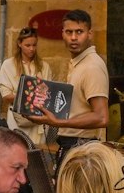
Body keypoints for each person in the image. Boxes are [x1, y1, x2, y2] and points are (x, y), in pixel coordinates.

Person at [33, 9, 110, 157]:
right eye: (69, 32)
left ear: (89, 34)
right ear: (62, 33)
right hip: (71, 144)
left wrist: (57, 122)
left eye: (79, 32)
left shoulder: (92, 66)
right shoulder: (78, 63)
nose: (73, 37)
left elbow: (101, 117)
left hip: (83, 147)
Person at [0, 26, 51, 149]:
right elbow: (6, 96)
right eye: (28, 45)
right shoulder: (8, 65)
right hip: (18, 118)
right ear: (19, 44)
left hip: (39, 119)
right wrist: (30, 95)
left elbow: (48, 94)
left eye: (34, 45)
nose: (31, 49)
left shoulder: (44, 66)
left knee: (36, 154)